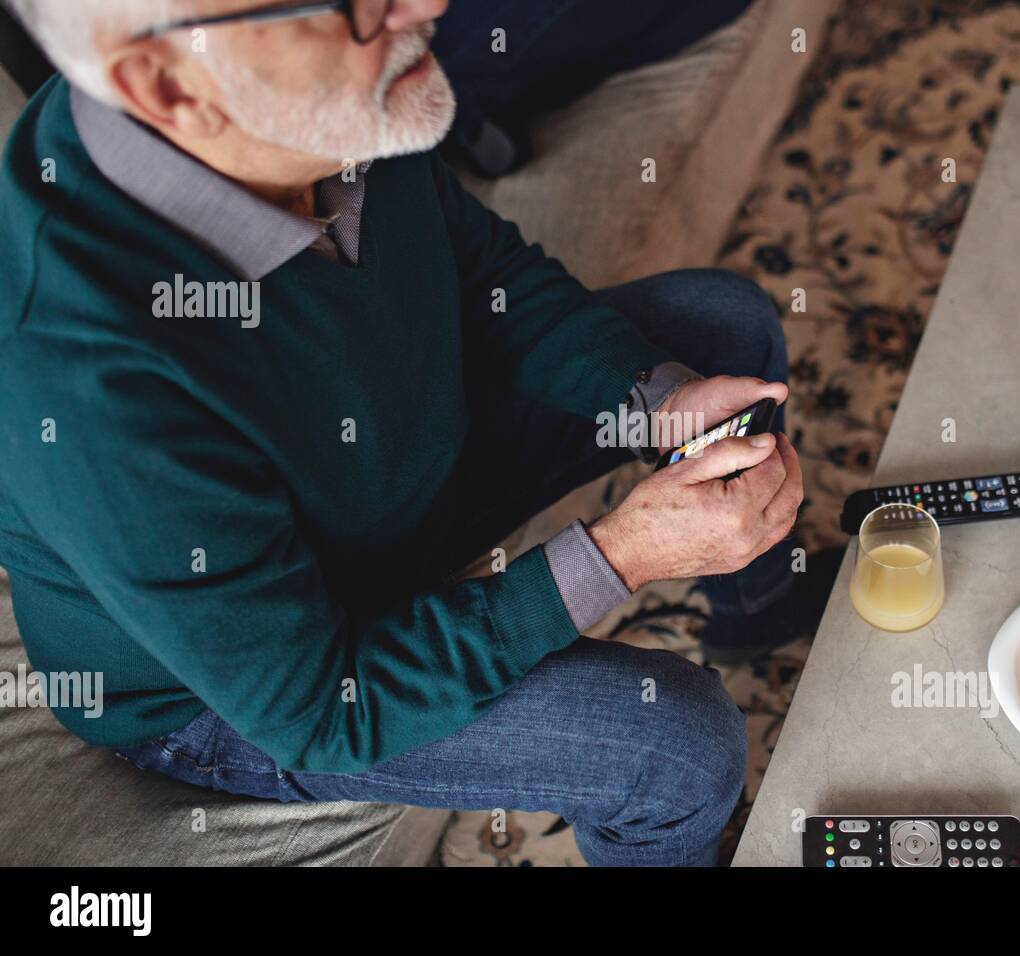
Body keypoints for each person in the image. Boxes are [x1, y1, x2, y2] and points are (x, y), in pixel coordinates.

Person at [0, 0, 810, 866]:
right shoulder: (78, 368)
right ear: (166, 83)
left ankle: (761, 609)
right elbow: (320, 708)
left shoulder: (324, 106)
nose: (427, 5)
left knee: (717, 329)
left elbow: (485, 275)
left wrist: (653, 399)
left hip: (394, 481)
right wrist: (621, 554)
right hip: (250, 691)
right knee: (676, 745)